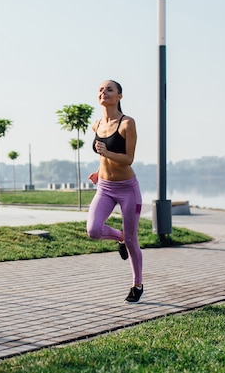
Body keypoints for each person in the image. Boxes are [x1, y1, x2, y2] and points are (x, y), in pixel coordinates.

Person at [86, 79, 144, 303]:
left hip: (128, 189)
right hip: (105, 188)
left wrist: (107, 154)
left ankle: (137, 285)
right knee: (93, 230)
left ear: (119, 96)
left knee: (133, 240)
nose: (104, 92)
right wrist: (98, 171)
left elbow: (128, 159)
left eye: (109, 89)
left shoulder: (127, 123)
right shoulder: (96, 125)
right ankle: (119, 237)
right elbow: (103, 158)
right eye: (101, 89)